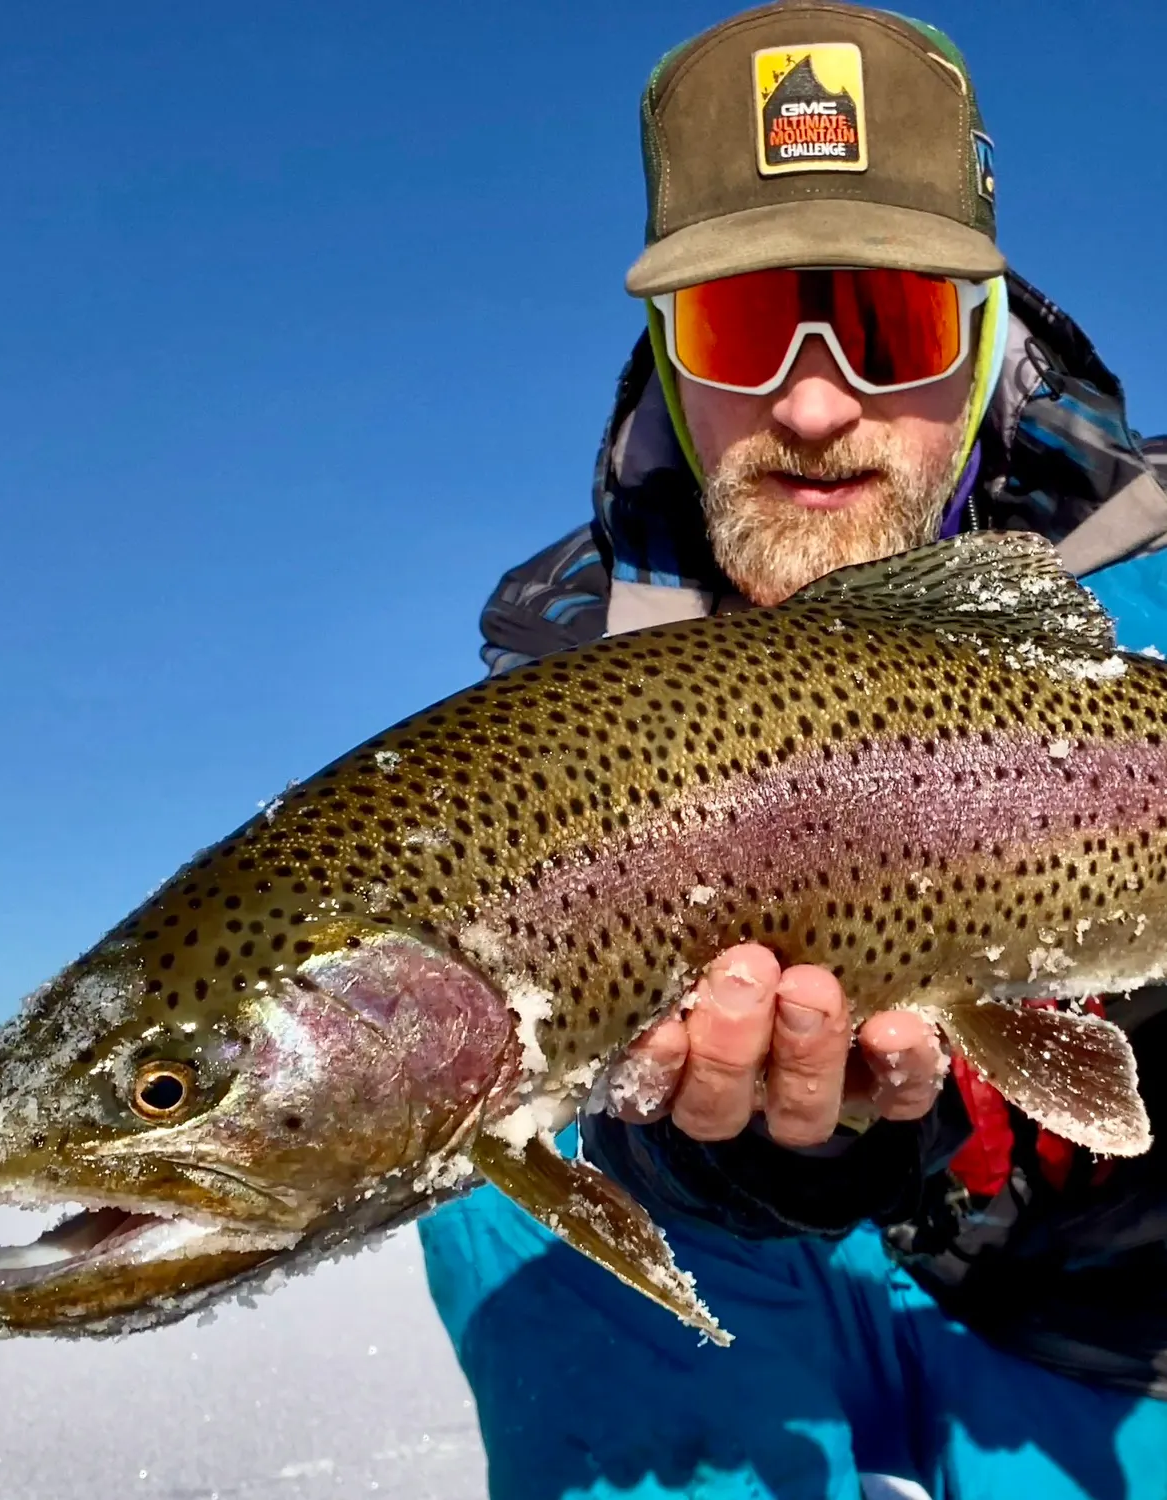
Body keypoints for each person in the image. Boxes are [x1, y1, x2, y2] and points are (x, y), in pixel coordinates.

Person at [418, 5, 1167, 1498]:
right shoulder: (570, 663)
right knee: (490, 1176)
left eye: (881, 326)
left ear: (982, 335)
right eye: (746, 329)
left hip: (1108, 1323)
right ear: (667, 353)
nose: (814, 404)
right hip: (738, 1302)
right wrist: (737, 1155)